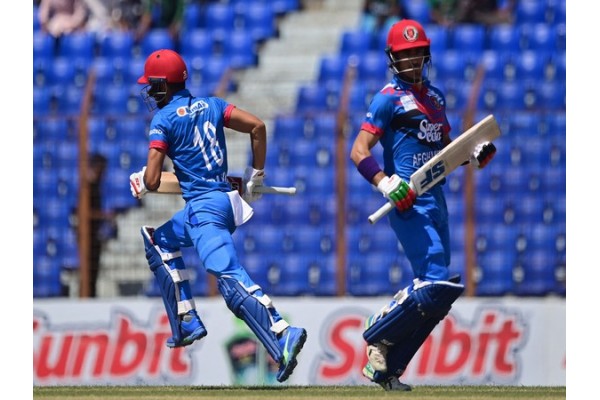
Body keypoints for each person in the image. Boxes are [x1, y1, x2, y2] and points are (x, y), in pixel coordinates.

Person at [128, 49, 307, 383]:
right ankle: (186, 320)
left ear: (163, 85)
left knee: (230, 281)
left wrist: (143, 179)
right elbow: (257, 126)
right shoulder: (212, 105)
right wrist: (256, 175)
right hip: (221, 202)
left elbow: (152, 181)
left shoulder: (163, 119)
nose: (150, 92)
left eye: (152, 86)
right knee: (158, 241)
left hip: (203, 211)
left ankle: (283, 333)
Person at [349, 20, 496, 391]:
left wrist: (474, 154)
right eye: (405, 54)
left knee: (438, 294)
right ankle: (378, 330)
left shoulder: (436, 98)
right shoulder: (386, 99)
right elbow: (358, 151)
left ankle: (387, 369)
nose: (412, 60)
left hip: (436, 198)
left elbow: (446, 153)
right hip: (407, 200)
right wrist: (385, 182)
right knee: (434, 278)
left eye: (417, 52)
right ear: (393, 58)